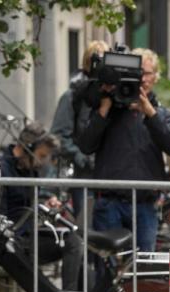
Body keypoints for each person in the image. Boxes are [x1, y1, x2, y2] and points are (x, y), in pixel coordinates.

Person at [76, 47, 170, 253]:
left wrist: (149, 112)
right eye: (137, 73)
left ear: (155, 78)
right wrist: (105, 108)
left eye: (147, 73)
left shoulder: (161, 113)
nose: (142, 79)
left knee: (142, 270)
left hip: (145, 205)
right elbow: (86, 145)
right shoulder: (107, 109)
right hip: (109, 204)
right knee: (107, 269)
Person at [0, 122, 83, 291]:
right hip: (12, 240)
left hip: (28, 233)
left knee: (75, 241)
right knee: (72, 244)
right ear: (26, 148)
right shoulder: (1, 169)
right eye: (41, 156)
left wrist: (45, 204)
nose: (42, 163)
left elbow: (27, 205)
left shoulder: (30, 169)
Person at [51, 40, 108, 226]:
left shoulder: (114, 98)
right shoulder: (73, 96)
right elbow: (59, 135)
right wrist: (82, 157)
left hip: (111, 176)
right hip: (84, 178)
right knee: (88, 231)